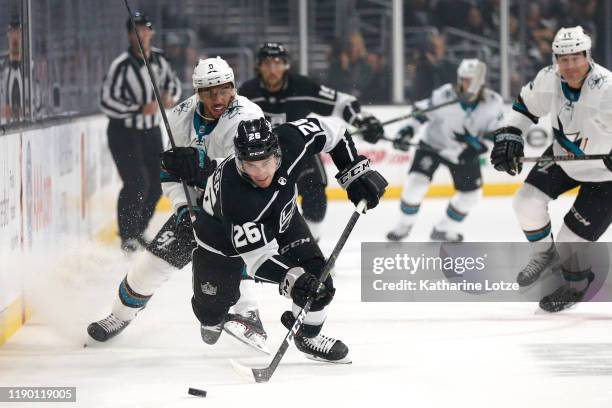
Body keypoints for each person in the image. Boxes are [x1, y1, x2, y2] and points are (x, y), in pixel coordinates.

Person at [159, 116, 388, 362]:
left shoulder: (292, 140)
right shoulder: (235, 195)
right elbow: (257, 260)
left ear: (278, 152)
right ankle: (214, 315)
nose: (260, 173)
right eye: (250, 165)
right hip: (219, 242)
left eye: (266, 162)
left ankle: (308, 336)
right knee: (210, 316)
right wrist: (293, 280)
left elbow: (335, 131)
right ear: (239, 160)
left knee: (319, 282)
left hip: (284, 220)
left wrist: (354, 174)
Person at [89, 57, 271, 352]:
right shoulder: (178, 118)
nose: (218, 98)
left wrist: (202, 167)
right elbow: (169, 173)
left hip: (238, 205)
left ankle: (248, 314)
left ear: (233, 88)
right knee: (150, 266)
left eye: (224, 90)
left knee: (237, 250)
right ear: (197, 92)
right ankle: (119, 315)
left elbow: (249, 173)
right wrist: (183, 208)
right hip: (195, 207)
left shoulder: (247, 118)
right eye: (209, 92)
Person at [490, 26, 612, 312]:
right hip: (562, 157)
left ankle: (576, 285)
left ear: (587, 56)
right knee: (525, 203)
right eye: (563, 58)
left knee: (571, 242)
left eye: (575, 58)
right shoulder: (548, 78)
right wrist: (510, 134)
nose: (569, 66)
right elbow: (523, 109)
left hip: (607, 177)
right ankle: (544, 254)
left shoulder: (607, 88)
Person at [238, 42, 384, 240]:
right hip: (261, 159)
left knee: (316, 198)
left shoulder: (302, 86)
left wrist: (362, 119)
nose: (272, 69)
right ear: (259, 66)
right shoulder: (247, 92)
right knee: (261, 205)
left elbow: (342, 102)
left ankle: (310, 247)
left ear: (286, 65)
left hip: (301, 151)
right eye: (267, 63)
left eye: (277, 63)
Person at [386, 59, 504, 242]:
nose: (467, 84)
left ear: (481, 82)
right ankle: (404, 225)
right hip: (433, 146)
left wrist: (478, 149)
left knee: (471, 196)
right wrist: (407, 131)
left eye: (471, 80)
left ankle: (443, 229)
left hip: (464, 151)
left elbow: (496, 134)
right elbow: (421, 113)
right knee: (414, 185)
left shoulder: (493, 103)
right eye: (464, 79)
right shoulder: (444, 95)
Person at [99, 12, 181, 253]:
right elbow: (106, 102)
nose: (141, 34)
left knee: (156, 184)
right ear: (129, 34)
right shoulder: (121, 66)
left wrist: (170, 97)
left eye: (145, 29)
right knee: (136, 182)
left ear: (151, 32)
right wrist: (137, 108)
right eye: (136, 29)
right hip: (124, 132)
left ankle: (138, 229)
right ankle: (127, 235)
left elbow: (174, 84)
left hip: (150, 131)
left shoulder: (161, 60)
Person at [0, 17, 24, 124]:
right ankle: (10, 119)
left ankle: (19, 117)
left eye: (17, 31)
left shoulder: (18, 38)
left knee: (16, 92)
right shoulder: (13, 38)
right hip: (13, 66)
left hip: (16, 66)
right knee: (9, 93)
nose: (15, 34)